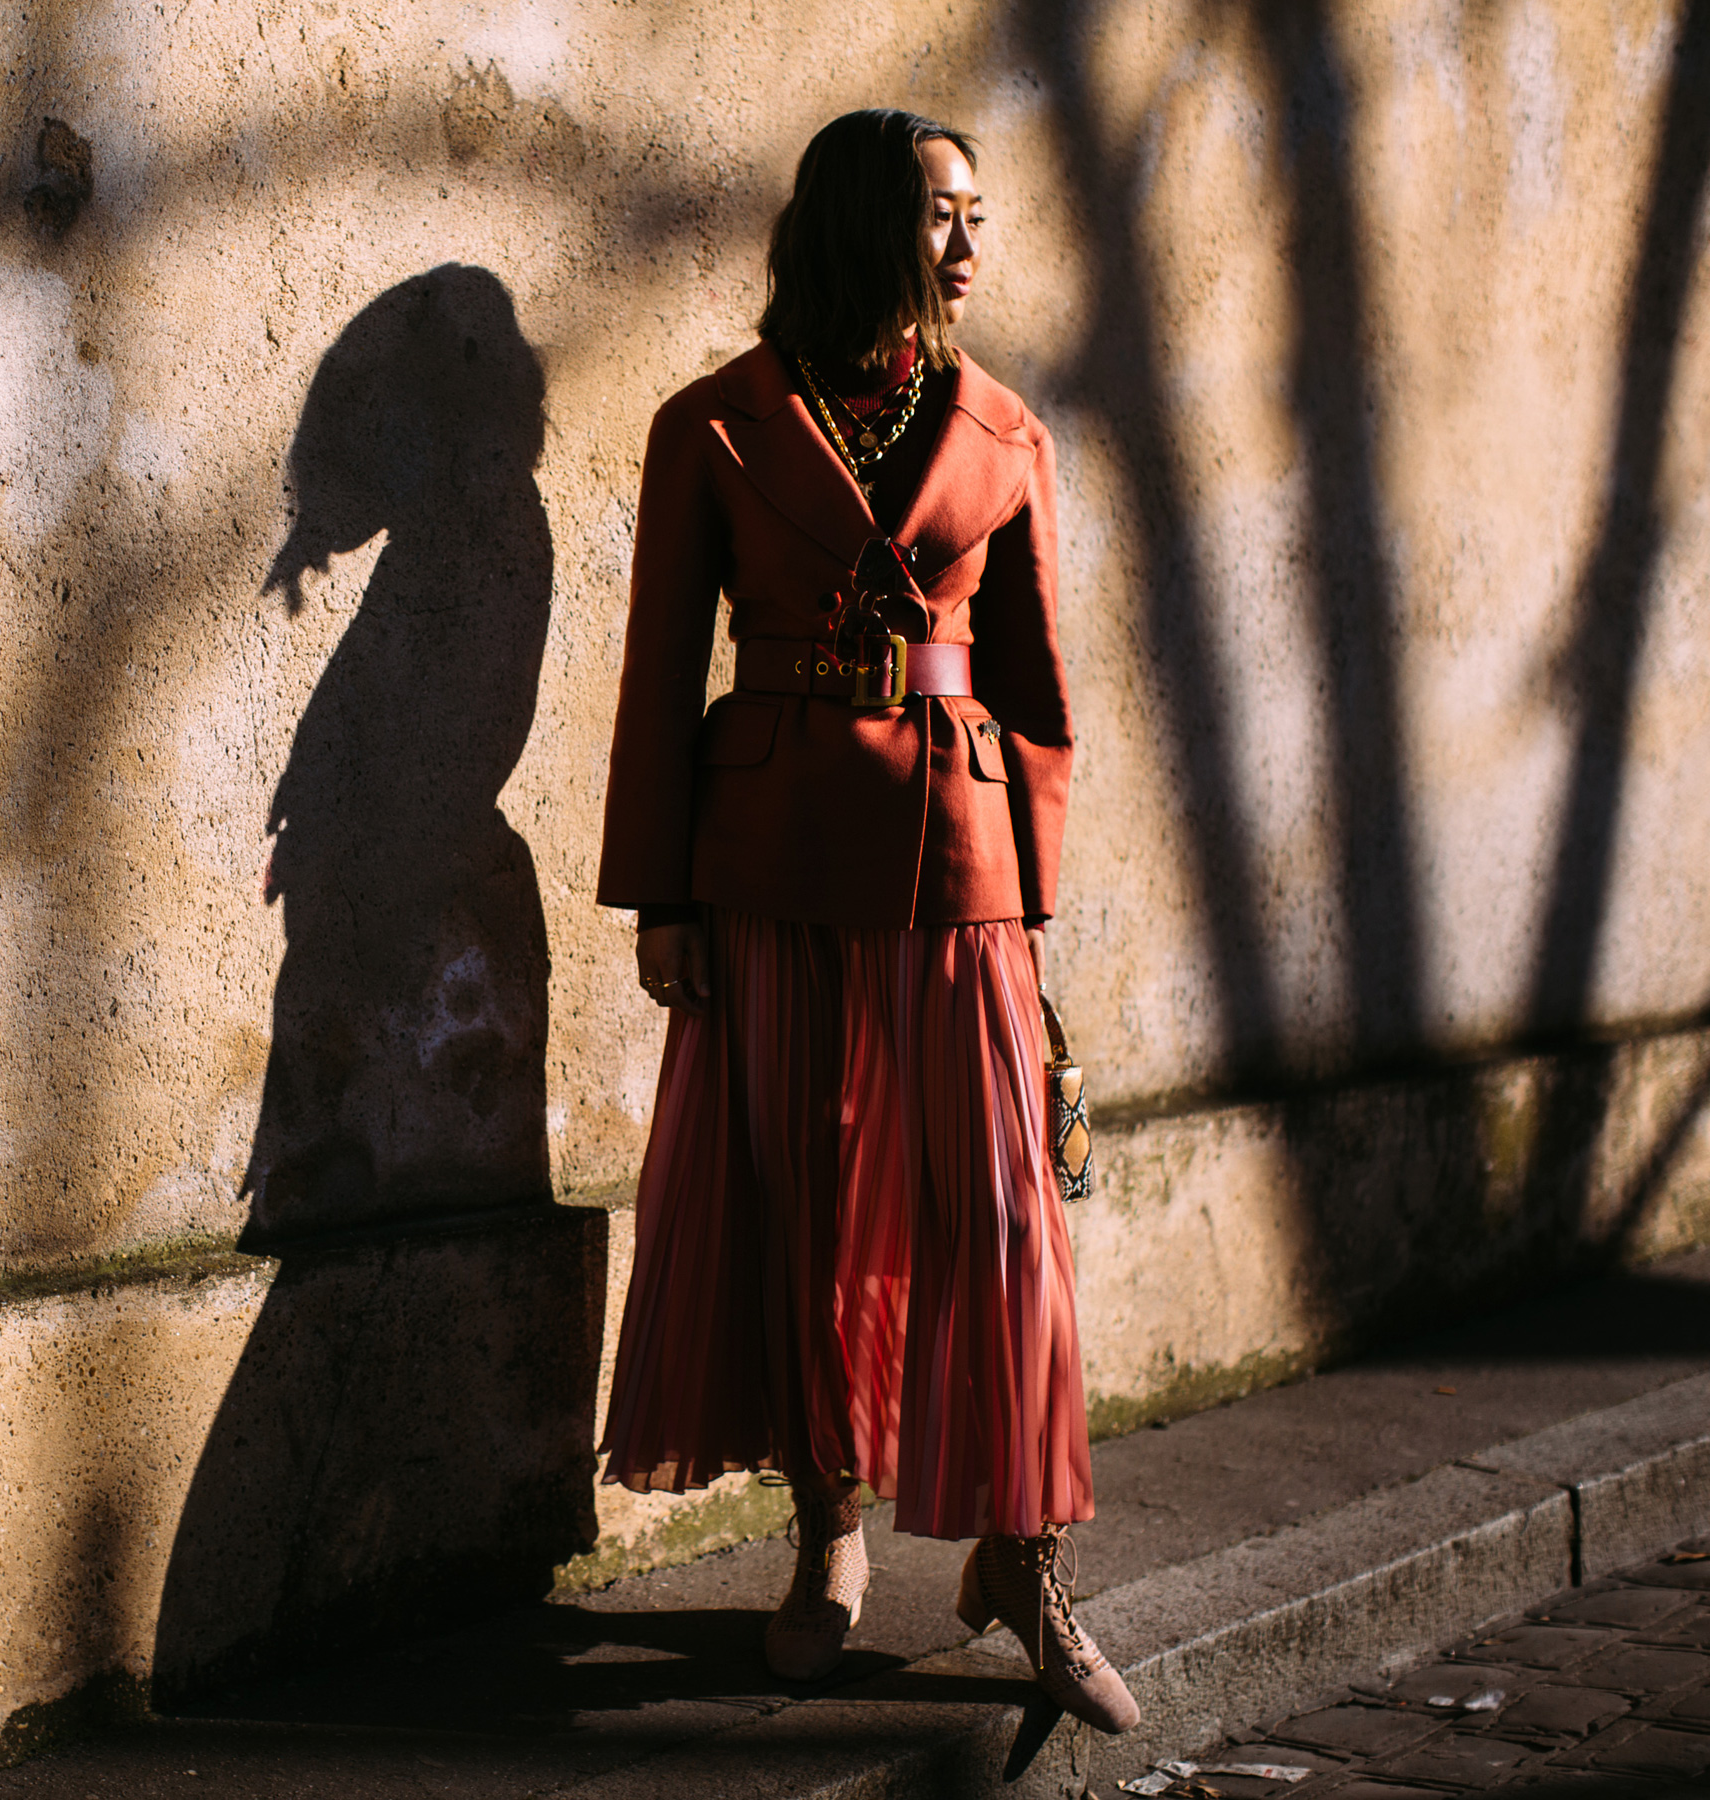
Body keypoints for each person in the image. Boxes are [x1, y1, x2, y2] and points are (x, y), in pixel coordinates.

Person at [593, 108, 1139, 1736]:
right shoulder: (712, 427)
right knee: (807, 1204)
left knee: (999, 1220)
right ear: (859, 223)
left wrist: (1031, 914)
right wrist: (664, 896)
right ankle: (826, 1539)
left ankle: (1020, 1564)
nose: (971, 239)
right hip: (765, 859)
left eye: (980, 212)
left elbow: (1039, 695)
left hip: (958, 867)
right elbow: (652, 679)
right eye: (940, 211)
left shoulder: (1006, 431)